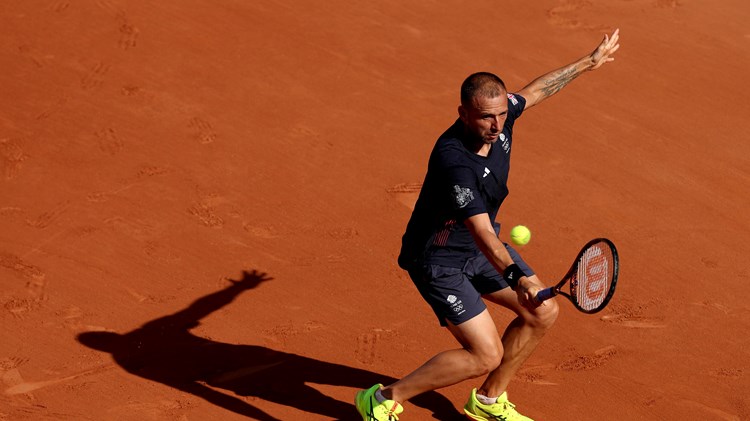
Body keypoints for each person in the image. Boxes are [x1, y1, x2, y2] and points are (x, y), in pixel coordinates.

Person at [355, 29, 620, 421]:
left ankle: (488, 402)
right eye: (485, 117)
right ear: (463, 113)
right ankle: (382, 398)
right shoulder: (455, 162)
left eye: (501, 114)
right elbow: (481, 231)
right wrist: (518, 276)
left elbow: (539, 89)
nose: (497, 125)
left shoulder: (503, 115)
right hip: (439, 260)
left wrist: (587, 62)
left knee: (542, 312)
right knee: (485, 354)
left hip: (478, 249)